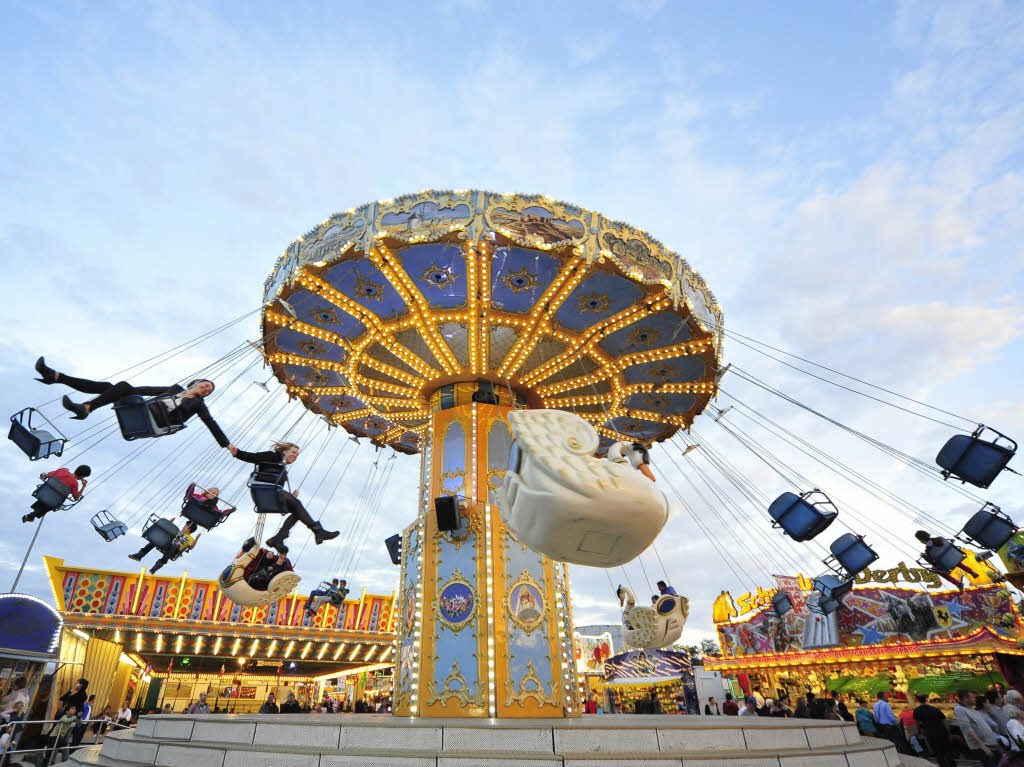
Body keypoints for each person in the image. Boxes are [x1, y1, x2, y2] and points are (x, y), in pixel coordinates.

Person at [33, 357, 229, 441]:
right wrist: (128, 391)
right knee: (110, 388)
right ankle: (58, 378)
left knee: (119, 386)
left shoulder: (197, 405)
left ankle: (84, 405)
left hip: (158, 419)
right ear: (196, 382)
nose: (206, 390)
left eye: (209, 391)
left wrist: (227, 445)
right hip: (146, 408)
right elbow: (147, 389)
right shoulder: (175, 389)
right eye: (205, 385)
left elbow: (211, 424)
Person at [228, 441, 338, 553]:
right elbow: (253, 457)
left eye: (297, 454)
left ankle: (279, 538)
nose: (295, 456)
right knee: (297, 504)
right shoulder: (271, 456)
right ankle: (318, 531)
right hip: (263, 491)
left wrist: (291, 497)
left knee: (297, 510)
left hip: (272, 494)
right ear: (285, 451)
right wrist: (237, 453)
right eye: (293, 452)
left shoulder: (282, 468)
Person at [24, 465, 91, 523]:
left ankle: (31, 516)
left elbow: (46, 475)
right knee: (52, 503)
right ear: (82, 476)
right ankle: (32, 515)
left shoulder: (63, 471)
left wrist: (43, 474)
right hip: (54, 501)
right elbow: (76, 498)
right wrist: (83, 486)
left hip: (43, 493)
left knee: (48, 501)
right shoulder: (75, 484)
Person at [915, 530, 980, 590]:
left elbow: (932, 562)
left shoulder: (928, 550)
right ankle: (971, 572)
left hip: (946, 564)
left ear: (921, 540)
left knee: (935, 569)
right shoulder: (940, 539)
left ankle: (957, 583)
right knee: (950, 558)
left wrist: (924, 556)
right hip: (956, 556)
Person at [129, 520, 201, 574]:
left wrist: (197, 538)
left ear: (189, 529)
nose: (183, 527)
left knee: (174, 545)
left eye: (185, 526)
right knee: (158, 539)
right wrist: (169, 522)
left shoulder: (191, 539)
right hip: (167, 544)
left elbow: (190, 548)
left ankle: (157, 566)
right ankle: (139, 555)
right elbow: (166, 532)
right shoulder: (178, 532)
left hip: (174, 550)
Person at [955, 689, 1002, 766]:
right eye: (973, 697)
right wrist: (983, 746)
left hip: (990, 744)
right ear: (965, 698)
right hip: (981, 747)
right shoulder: (960, 710)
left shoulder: (970, 708)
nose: (975, 699)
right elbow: (967, 729)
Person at [913, 693, 955, 767]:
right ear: (926, 699)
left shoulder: (916, 711)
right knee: (948, 751)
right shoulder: (935, 709)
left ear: (917, 700)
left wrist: (919, 732)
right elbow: (944, 721)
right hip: (942, 733)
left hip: (930, 734)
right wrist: (948, 733)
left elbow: (917, 724)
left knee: (938, 753)